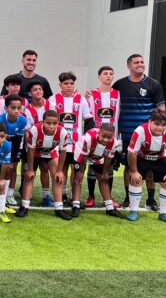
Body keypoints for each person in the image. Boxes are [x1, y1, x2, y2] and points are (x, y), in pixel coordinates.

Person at [113, 54, 165, 211]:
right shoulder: (120, 84)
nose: (140, 64)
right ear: (129, 66)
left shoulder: (153, 84)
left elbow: (161, 109)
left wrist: (160, 129)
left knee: (150, 166)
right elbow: (107, 96)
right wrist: (90, 93)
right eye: (136, 62)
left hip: (148, 134)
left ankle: (150, 200)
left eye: (142, 62)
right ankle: (128, 198)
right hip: (127, 133)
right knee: (129, 167)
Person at [126, 110, 166, 225]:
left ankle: (164, 213)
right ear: (149, 122)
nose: (160, 128)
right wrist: (134, 171)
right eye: (157, 124)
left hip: (161, 159)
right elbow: (132, 153)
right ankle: (134, 210)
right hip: (142, 158)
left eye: (163, 125)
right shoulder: (140, 131)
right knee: (135, 180)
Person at [48, 71, 93, 211]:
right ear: (60, 85)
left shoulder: (81, 99)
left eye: (71, 83)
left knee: (76, 170)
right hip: (60, 144)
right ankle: (62, 195)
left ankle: (75, 198)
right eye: (65, 83)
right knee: (62, 169)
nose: (69, 86)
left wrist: (86, 138)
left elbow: (88, 118)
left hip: (76, 144)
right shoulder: (53, 99)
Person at [19, 110, 69, 219]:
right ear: (42, 122)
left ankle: (59, 208)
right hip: (35, 153)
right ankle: (24, 206)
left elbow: (62, 152)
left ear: (58, 123)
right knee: (29, 177)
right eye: (48, 123)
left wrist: (60, 171)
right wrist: (30, 169)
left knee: (57, 177)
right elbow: (30, 150)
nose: (51, 126)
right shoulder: (35, 130)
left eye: (54, 123)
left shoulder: (62, 132)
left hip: (50, 152)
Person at [72, 124, 127, 219]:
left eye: (109, 137)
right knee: (78, 178)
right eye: (104, 136)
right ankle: (75, 206)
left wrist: (105, 172)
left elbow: (108, 158)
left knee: (103, 179)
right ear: (99, 133)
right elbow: (84, 156)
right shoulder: (88, 138)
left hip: (98, 154)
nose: (106, 140)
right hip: (82, 153)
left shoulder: (114, 142)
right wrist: (81, 171)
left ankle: (110, 208)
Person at [84, 66, 121, 208]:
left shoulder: (118, 94)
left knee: (109, 167)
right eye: (105, 73)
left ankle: (109, 197)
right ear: (99, 76)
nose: (108, 76)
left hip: (112, 138)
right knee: (93, 165)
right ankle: (91, 196)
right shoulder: (91, 94)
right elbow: (86, 114)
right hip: (96, 137)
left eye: (111, 74)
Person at [0, 94, 28, 212]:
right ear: (6, 108)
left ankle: (2, 202)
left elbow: (17, 140)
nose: (16, 111)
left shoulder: (23, 120)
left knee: (9, 169)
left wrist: (12, 160)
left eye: (19, 108)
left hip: (10, 145)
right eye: (13, 108)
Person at [23, 80, 53, 207]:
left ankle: (46, 196)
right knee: (29, 170)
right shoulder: (27, 110)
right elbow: (27, 131)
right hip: (33, 146)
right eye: (35, 90)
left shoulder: (50, 105)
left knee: (45, 169)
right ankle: (26, 197)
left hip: (49, 145)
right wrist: (29, 146)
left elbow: (56, 125)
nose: (38, 91)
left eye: (40, 89)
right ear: (30, 93)